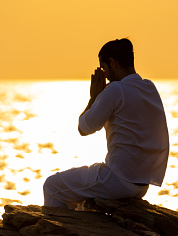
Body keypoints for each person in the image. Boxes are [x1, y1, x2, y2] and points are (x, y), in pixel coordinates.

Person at [43, 38, 169, 208]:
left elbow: (84, 127)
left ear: (112, 63)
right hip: (141, 185)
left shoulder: (116, 90)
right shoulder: (149, 87)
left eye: (104, 69)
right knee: (82, 201)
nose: (106, 76)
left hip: (118, 180)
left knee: (52, 186)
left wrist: (93, 97)